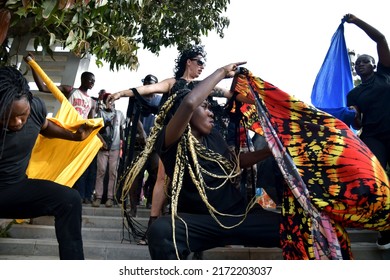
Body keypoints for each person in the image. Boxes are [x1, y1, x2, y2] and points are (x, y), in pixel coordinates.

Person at [128, 61, 281, 260]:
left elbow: (235, 161)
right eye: (205, 106)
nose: (211, 112)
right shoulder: (170, 138)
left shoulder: (214, 136)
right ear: (186, 114)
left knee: (291, 226)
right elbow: (190, 102)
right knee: (162, 231)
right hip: (199, 224)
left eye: (210, 107)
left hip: (236, 217)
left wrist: (270, 151)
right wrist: (222, 72)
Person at [0, 65, 94, 259]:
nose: (18, 122)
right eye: (10, 117)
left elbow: (45, 126)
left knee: (69, 199)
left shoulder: (35, 109)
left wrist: (74, 137)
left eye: (22, 115)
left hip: (15, 189)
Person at [25, 54, 98, 204]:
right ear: (83, 79)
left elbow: (89, 122)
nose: (92, 83)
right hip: (62, 133)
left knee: (66, 168)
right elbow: (44, 87)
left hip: (77, 138)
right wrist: (33, 65)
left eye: (94, 81)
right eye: (90, 79)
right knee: (48, 161)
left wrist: (99, 139)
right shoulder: (70, 90)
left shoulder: (92, 102)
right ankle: (36, 191)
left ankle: (57, 199)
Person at [345, 14, 390, 250]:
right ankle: (385, 229)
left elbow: (381, 38)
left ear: (374, 64)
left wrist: (356, 21)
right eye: (357, 63)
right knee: (376, 181)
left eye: (364, 61)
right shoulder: (354, 94)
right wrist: (354, 113)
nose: (359, 64)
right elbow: (359, 123)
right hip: (373, 138)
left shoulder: (385, 73)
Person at [92, 93, 125, 208]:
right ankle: (98, 197)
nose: (110, 102)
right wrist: (101, 142)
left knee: (113, 173)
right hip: (102, 148)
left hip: (115, 148)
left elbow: (122, 132)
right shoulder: (100, 113)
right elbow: (94, 130)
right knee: (101, 171)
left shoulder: (119, 114)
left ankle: (110, 198)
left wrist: (122, 147)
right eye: (108, 100)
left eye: (112, 100)